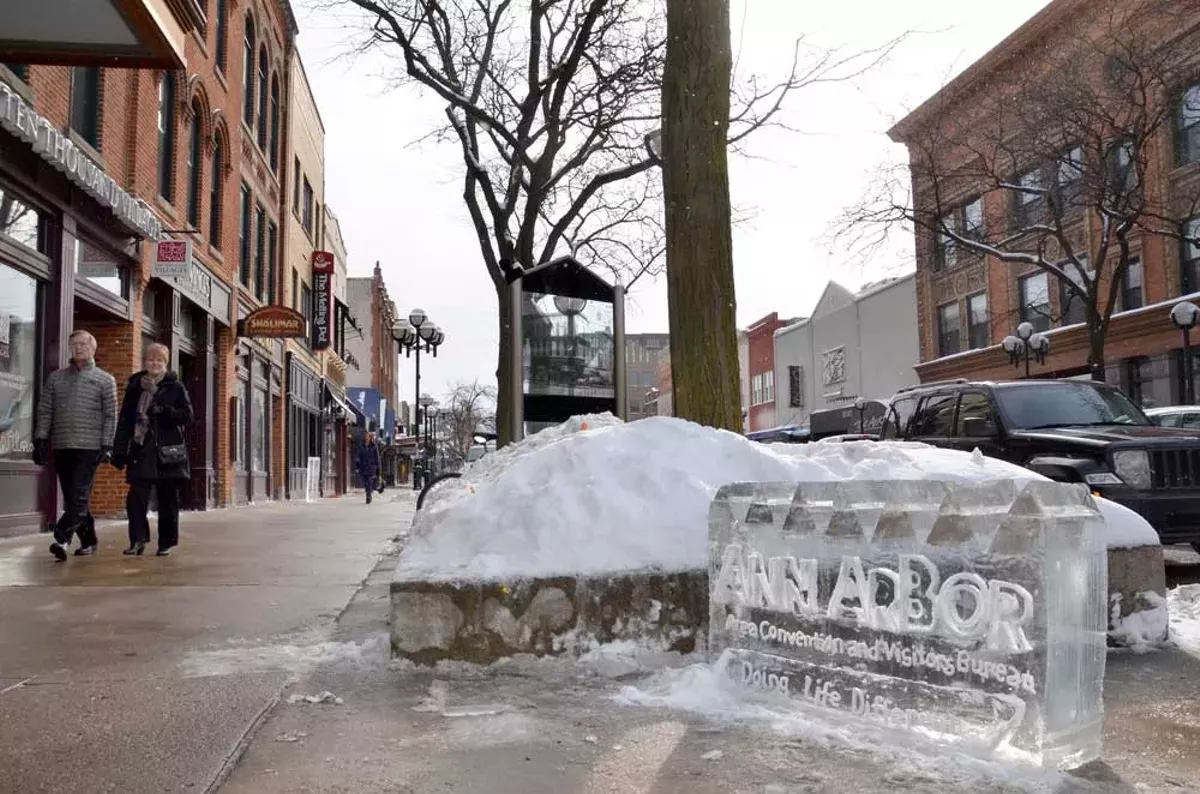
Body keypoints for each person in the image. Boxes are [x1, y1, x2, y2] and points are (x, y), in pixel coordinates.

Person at [33, 330, 117, 561]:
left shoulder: (104, 379)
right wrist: (40, 438)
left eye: (83, 344)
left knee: (78, 496)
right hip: (62, 445)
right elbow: (45, 410)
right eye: (74, 344)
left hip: (89, 447)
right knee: (74, 499)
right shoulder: (56, 378)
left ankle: (61, 538)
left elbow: (111, 415)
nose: (79, 348)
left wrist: (107, 444)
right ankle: (89, 541)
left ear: (93, 348)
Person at [111, 343, 194, 557]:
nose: (154, 363)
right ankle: (138, 540)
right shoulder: (135, 385)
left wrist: (164, 411)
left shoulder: (175, 387)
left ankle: (165, 542)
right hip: (140, 448)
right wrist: (119, 451)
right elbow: (126, 420)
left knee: (167, 501)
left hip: (167, 452)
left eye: (159, 360)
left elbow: (187, 416)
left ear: (165, 363)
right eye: (151, 359)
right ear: (144, 361)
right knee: (135, 499)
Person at [356, 432, 382, 504]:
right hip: (363, 467)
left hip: (371, 467)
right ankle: (368, 492)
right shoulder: (361, 446)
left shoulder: (374, 446)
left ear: (370, 438)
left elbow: (377, 457)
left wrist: (378, 467)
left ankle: (368, 496)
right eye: (365, 436)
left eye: (367, 436)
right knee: (365, 483)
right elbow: (358, 455)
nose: (366, 437)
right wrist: (357, 461)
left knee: (369, 481)